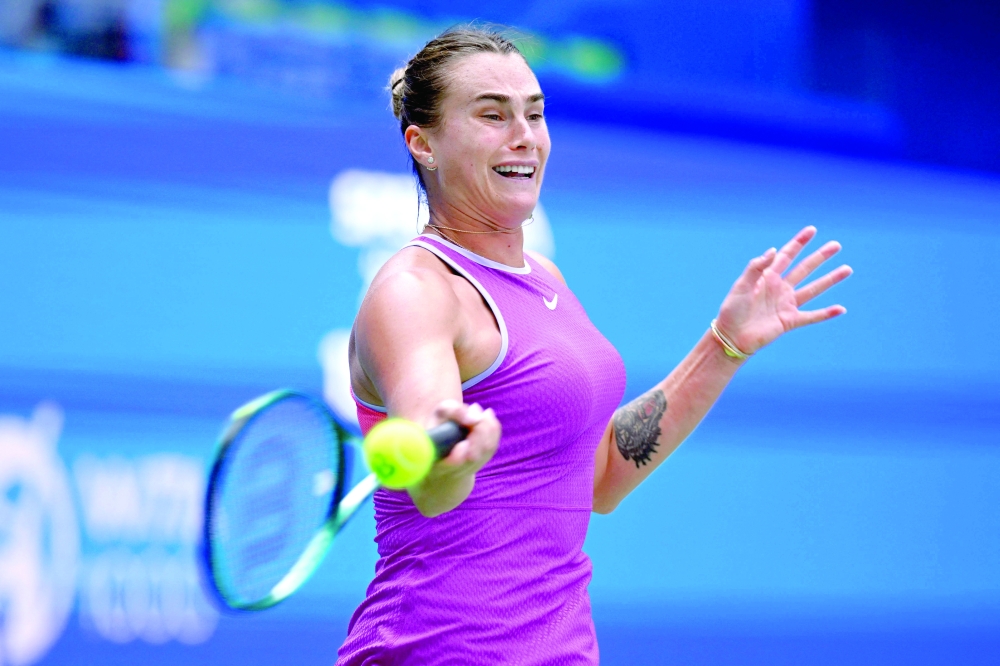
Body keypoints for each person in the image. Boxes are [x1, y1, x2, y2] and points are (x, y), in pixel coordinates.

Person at [337, 27, 852, 665]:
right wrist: (455, 454)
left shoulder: (544, 281)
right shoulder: (416, 291)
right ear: (424, 143)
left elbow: (600, 476)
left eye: (535, 113)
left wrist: (725, 345)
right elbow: (435, 484)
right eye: (493, 115)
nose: (524, 135)